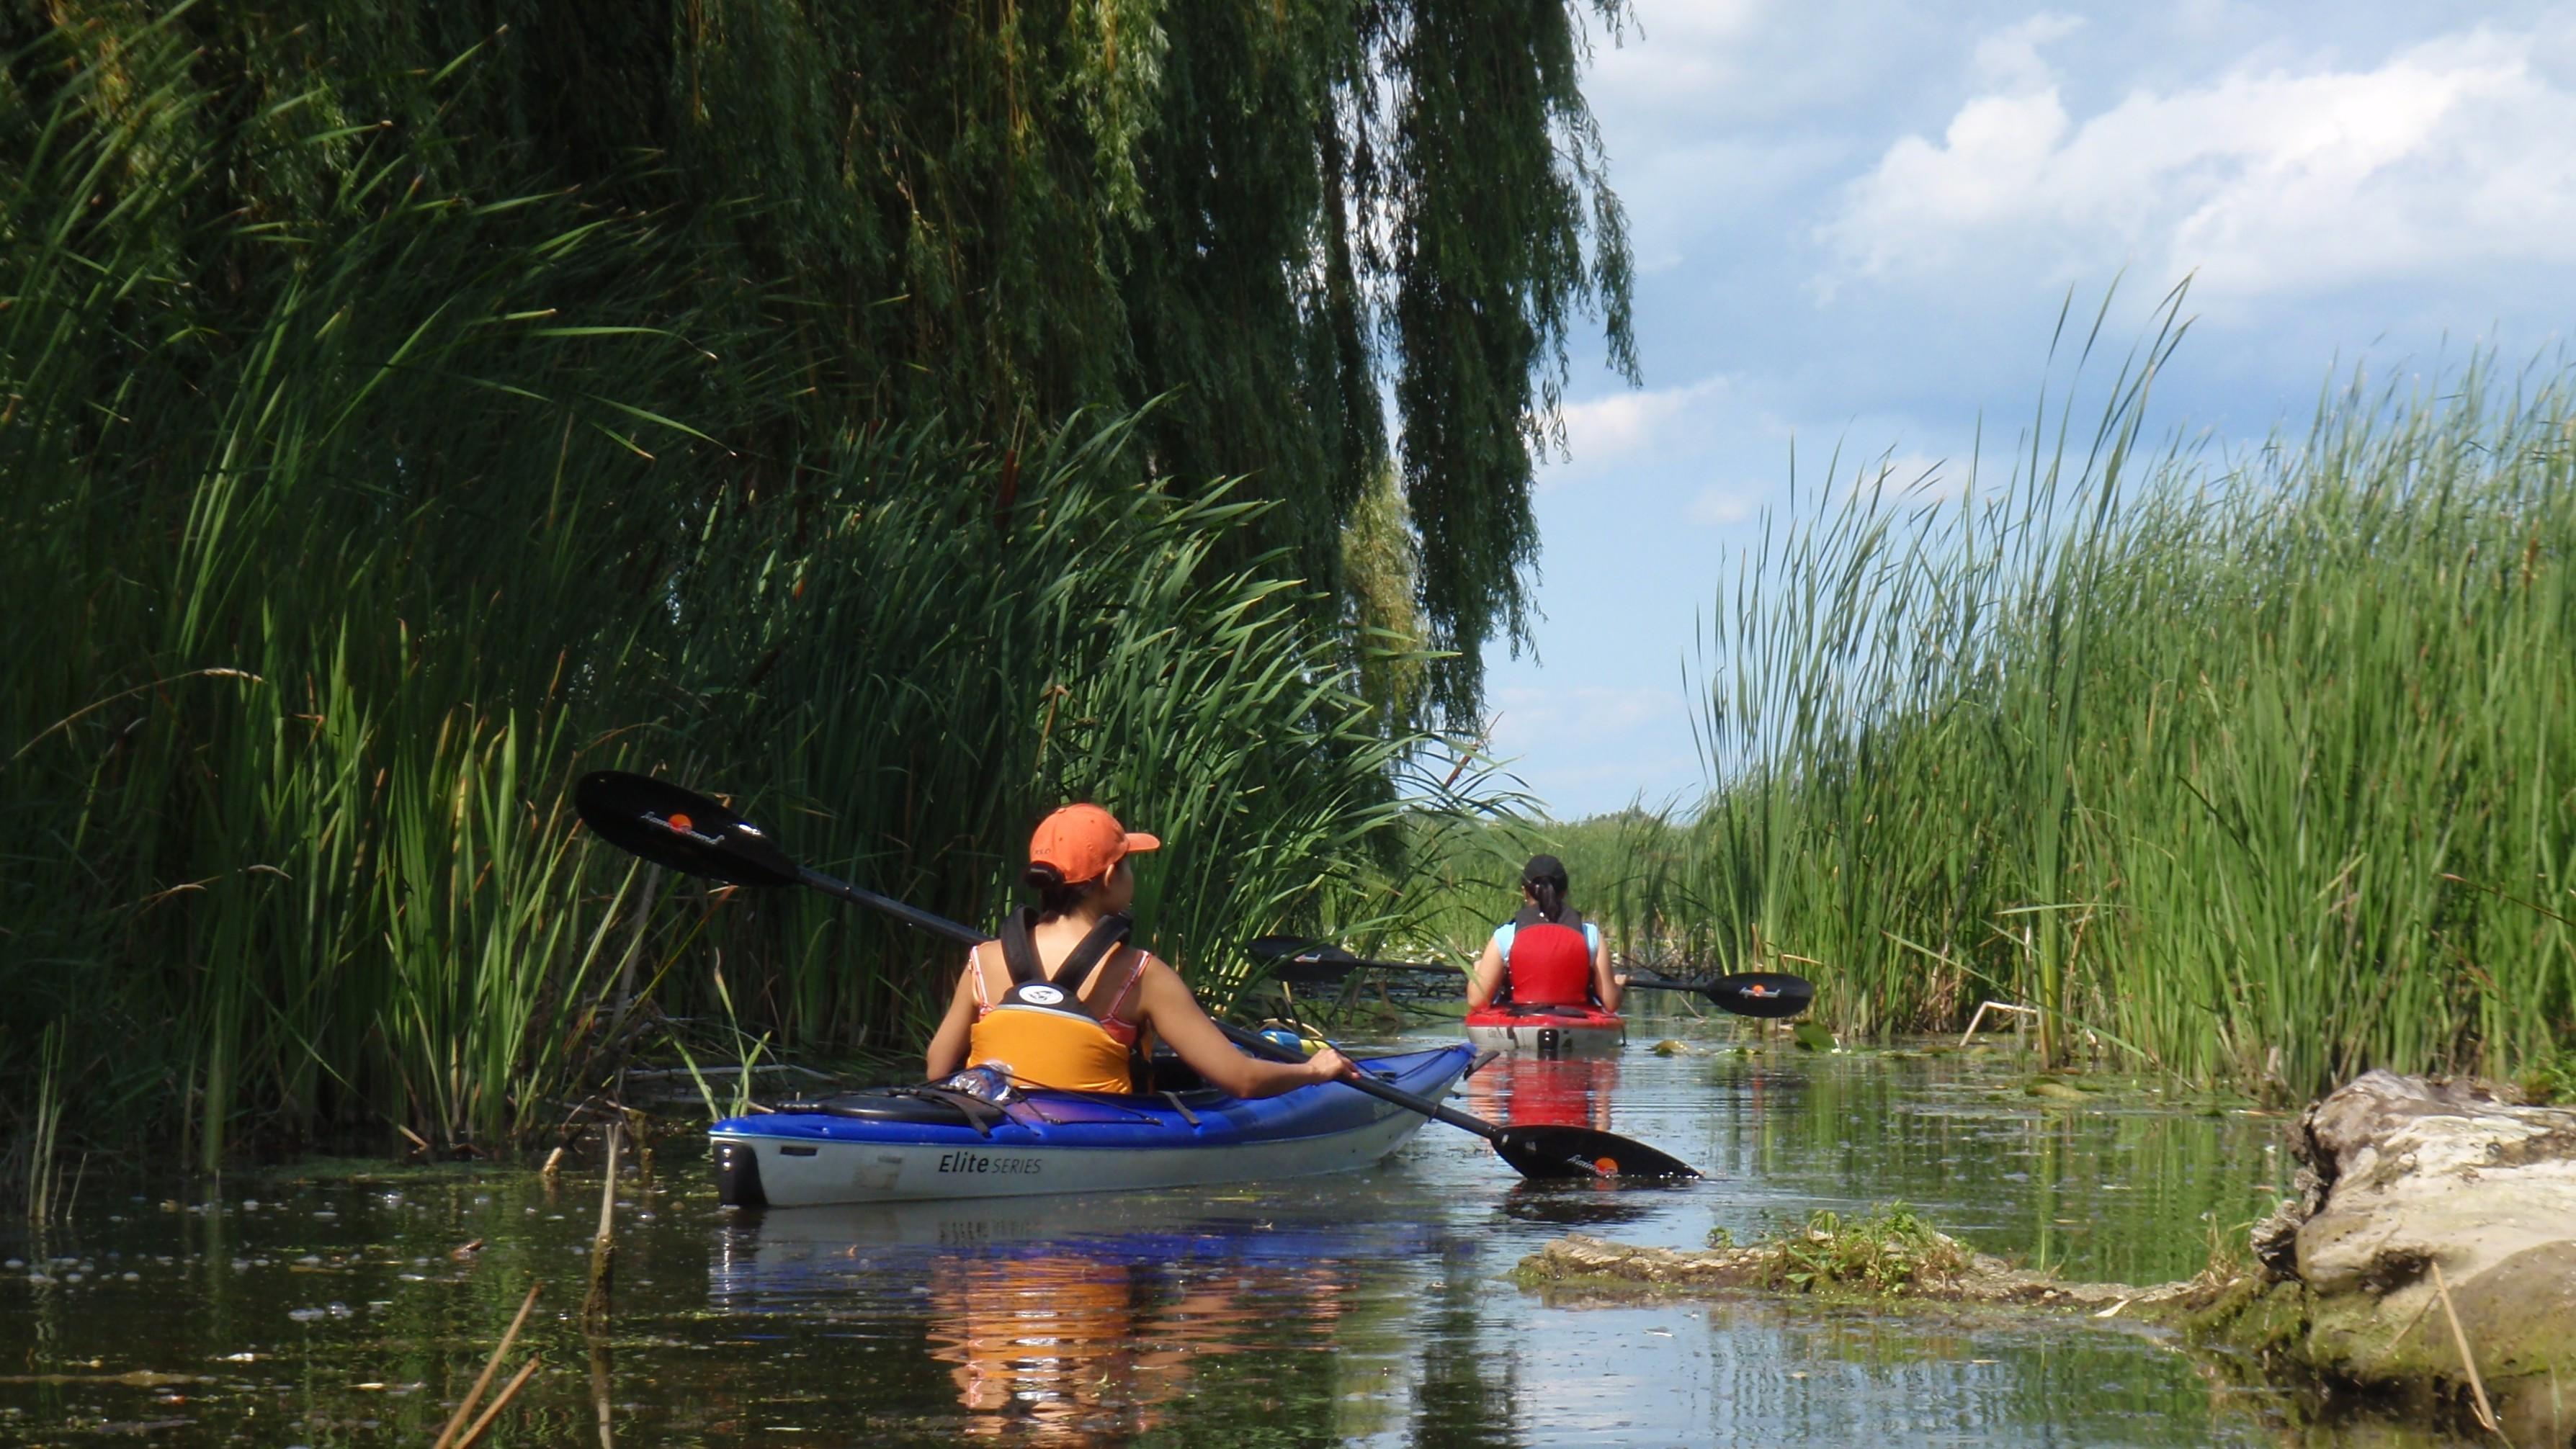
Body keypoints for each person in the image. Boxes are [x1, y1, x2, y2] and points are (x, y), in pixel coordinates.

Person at [926, 803, 1354, 1096]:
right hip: (1096, 1134)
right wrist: (1314, 1072)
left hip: (995, 1124)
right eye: (1129, 863)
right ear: (1111, 875)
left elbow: (938, 1069)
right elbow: (1240, 1079)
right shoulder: (1141, 973)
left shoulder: (984, 959)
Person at [1466, 853, 1622, 1014]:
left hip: (1522, 1019)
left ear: (1525, 892)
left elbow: (1477, 1000)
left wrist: (1476, 971)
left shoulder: (1505, 935)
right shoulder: (1591, 935)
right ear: (1565, 891)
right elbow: (1611, 1003)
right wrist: (1617, 986)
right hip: (1576, 1020)